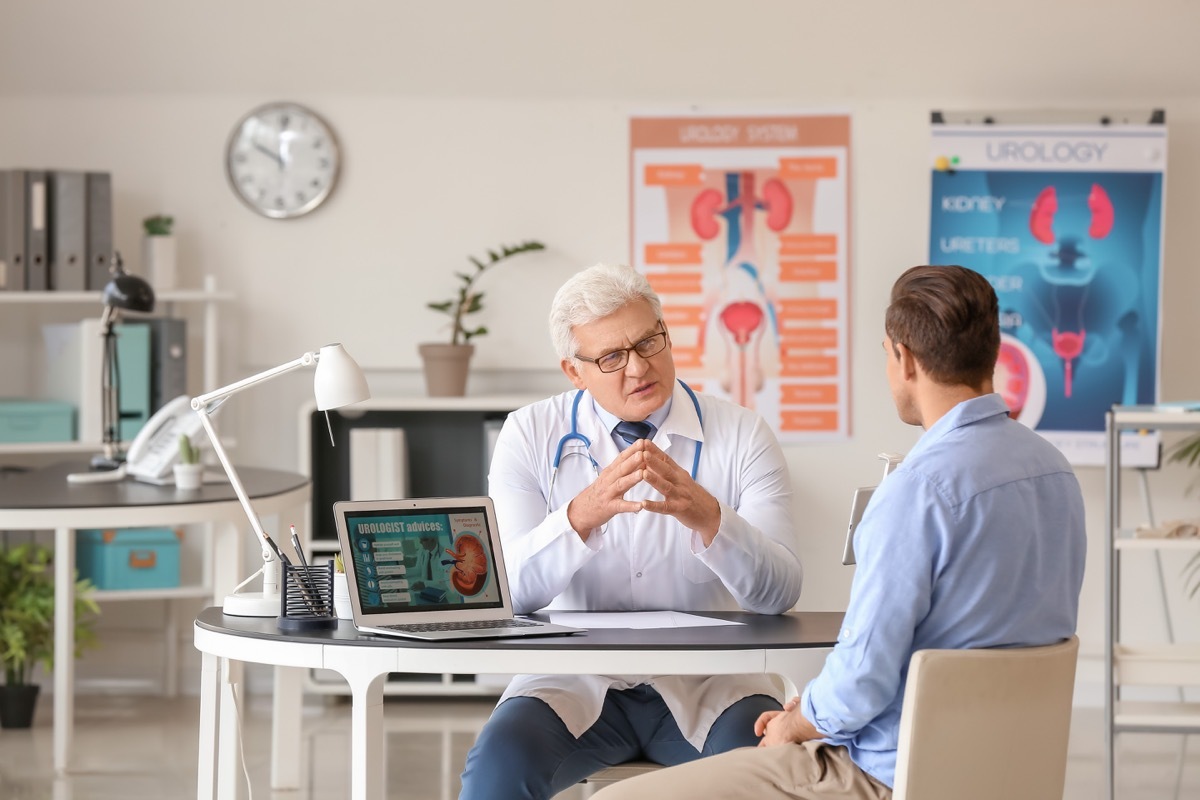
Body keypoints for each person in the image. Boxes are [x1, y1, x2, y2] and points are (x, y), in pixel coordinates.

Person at [591, 264, 1088, 800]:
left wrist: (793, 724)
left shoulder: (916, 492)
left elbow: (861, 682)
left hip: (889, 775)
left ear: (904, 358)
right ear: (992, 350)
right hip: (1008, 772)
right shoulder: (1055, 472)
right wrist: (813, 709)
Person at [458, 263, 804, 800]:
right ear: (574, 372)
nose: (639, 367)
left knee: (774, 773)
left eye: (648, 342)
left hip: (711, 680)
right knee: (498, 768)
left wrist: (710, 518)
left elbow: (780, 594)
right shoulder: (529, 433)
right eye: (611, 357)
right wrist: (580, 516)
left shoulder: (742, 434)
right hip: (573, 678)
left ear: (666, 333)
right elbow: (508, 592)